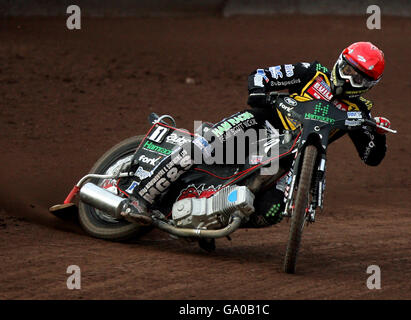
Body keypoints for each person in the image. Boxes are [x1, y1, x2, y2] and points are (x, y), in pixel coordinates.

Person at [120, 41, 392, 225]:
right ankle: (139, 198)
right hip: (260, 124)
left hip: (291, 159)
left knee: (271, 212)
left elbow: (371, 157)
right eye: (346, 70)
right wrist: (260, 94)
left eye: (358, 79)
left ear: (370, 85)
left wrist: (378, 135)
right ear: (338, 62)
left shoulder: (360, 110)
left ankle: (211, 219)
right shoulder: (313, 72)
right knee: (203, 145)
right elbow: (263, 75)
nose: (348, 80)